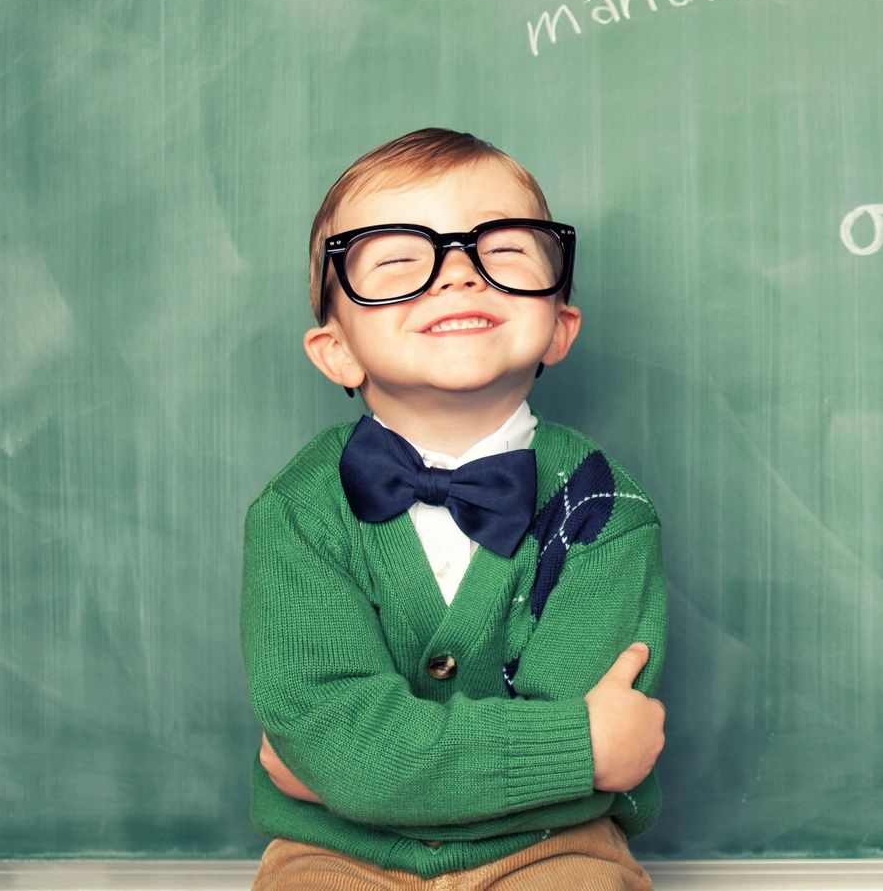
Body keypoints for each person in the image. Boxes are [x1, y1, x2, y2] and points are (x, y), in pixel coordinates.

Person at [241, 128, 666, 889]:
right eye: (400, 260)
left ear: (559, 327)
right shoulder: (296, 513)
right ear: (336, 350)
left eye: (503, 254)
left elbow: (344, 758)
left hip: (554, 848)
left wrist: (351, 772)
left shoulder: (608, 510)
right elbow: (589, 748)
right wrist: (575, 750)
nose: (460, 276)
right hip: (335, 849)